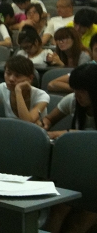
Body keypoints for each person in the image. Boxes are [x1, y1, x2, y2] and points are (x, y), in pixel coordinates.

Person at [41, 63, 97, 233]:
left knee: (80, 221)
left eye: (83, 91)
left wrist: (69, 133)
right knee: (58, 209)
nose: (77, 95)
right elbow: (49, 120)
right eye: (75, 89)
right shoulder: (72, 101)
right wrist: (43, 125)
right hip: (77, 167)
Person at [0, 56, 49, 123]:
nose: (11, 79)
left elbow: (28, 123)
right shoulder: (2, 88)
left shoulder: (41, 96)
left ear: (30, 78)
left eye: (18, 75)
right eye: (8, 73)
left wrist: (18, 91)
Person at [47, 28, 92, 93]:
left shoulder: (84, 55)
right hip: (68, 86)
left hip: (80, 85)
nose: (60, 42)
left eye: (64, 39)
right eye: (58, 39)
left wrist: (61, 65)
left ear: (74, 39)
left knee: (52, 85)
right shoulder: (60, 53)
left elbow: (80, 77)